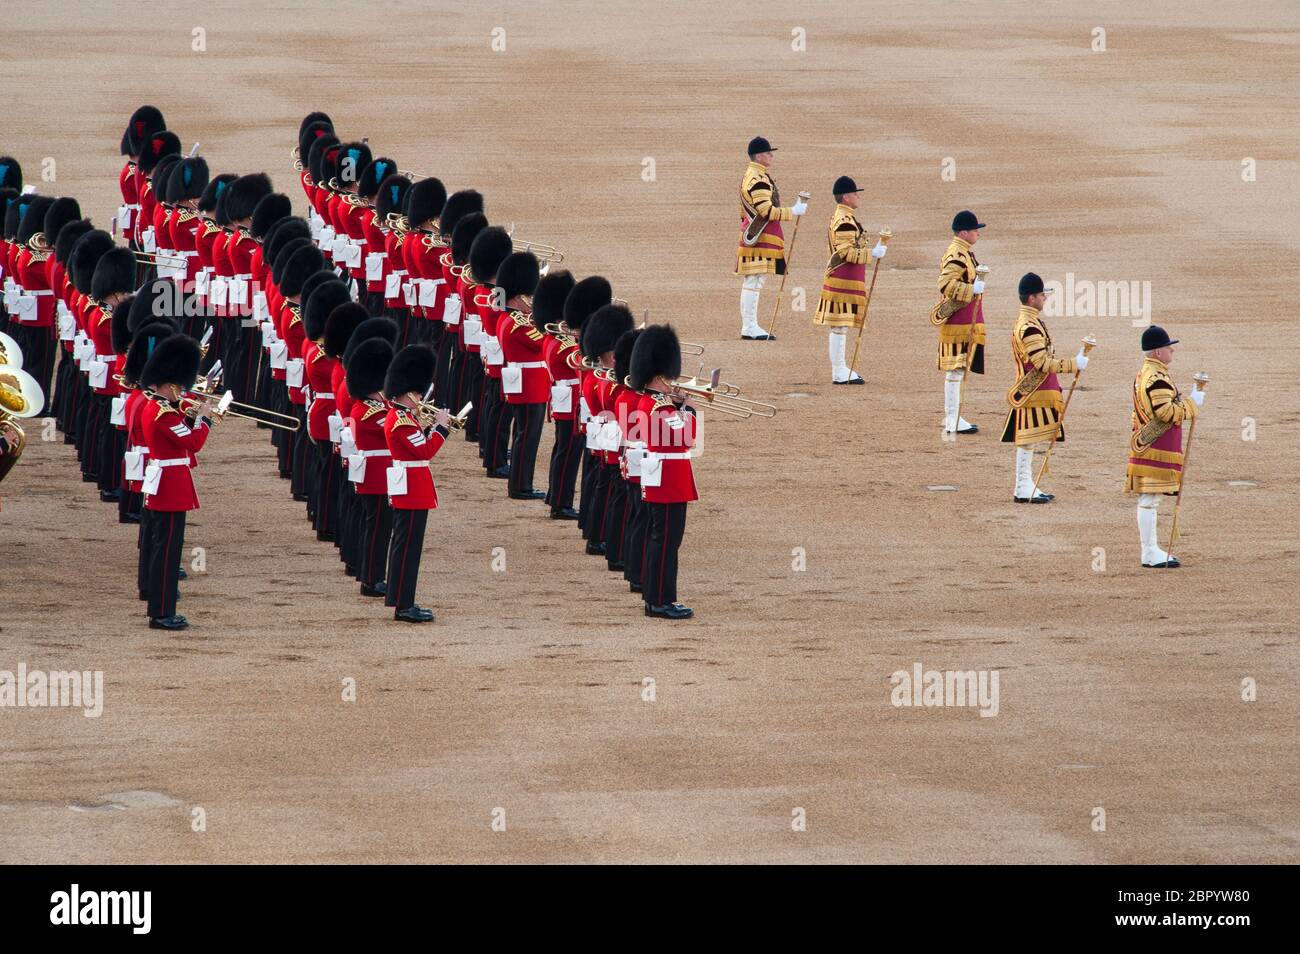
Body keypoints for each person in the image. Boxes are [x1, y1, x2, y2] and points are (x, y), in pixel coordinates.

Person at [138, 334, 213, 630]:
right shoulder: (163, 415)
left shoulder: (157, 407)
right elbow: (194, 443)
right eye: (179, 387)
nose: (182, 391)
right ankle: (162, 612)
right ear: (169, 384)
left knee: (162, 549)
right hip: (170, 486)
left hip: (164, 482)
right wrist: (204, 419)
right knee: (167, 552)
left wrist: (193, 412)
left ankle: (160, 607)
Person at [628, 324, 697, 619]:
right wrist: (690, 410)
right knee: (666, 541)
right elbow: (686, 438)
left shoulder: (651, 402)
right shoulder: (659, 408)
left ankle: (656, 596)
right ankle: (660, 601)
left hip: (662, 475)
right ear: (658, 376)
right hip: (668, 478)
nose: (673, 382)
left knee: (662, 539)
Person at [1000, 272, 1088, 503]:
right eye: (1041, 295)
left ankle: (1025, 484)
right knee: (1027, 439)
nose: (1044, 299)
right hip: (1033, 390)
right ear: (1031, 299)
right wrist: (1073, 364)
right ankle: (1022, 486)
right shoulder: (1029, 326)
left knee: (1029, 440)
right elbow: (1041, 363)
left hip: (1034, 389)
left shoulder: (1031, 322)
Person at [382, 344, 451, 623]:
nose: (421, 397)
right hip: (412, 488)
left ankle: (401, 600)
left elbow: (418, 444)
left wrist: (431, 427)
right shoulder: (401, 421)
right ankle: (403, 605)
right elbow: (425, 451)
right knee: (408, 548)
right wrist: (443, 427)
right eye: (418, 393)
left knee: (406, 546)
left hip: (411, 486)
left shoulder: (405, 417)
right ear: (409, 393)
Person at [1125, 326, 1203, 568]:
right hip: (1155, 446)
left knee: (1150, 499)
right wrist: (1192, 404)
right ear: (1158, 352)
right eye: (1169, 347)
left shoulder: (1146, 373)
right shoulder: (1156, 378)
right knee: (1149, 499)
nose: (1172, 350)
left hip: (1148, 443)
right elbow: (1166, 412)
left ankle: (1151, 550)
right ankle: (1149, 552)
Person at [812, 175, 886, 384]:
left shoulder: (844, 216)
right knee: (839, 326)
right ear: (846, 197)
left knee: (840, 326)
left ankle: (841, 369)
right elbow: (847, 253)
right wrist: (873, 253)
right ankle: (839, 371)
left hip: (844, 278)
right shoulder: (845, 220)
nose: (858, 198)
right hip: (843, 279)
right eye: (855, 194)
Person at [735, 136, 807, 340]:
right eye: (768, 153)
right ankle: (749, 327)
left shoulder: (753, 175)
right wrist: (792, 211)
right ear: (759, 156)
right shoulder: (757, 178)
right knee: (754, 281)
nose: (772, 156)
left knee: (753, 281)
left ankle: (749, 326)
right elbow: (766, 211)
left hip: (754, 233)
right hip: (761, 236)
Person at [494, 251, 548, 499]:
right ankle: (520, 485)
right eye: (528, 297)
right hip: (529, 386)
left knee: (523, 435)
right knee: (527, 437)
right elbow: (542, 344)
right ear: (517, 298)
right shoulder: (518, 324)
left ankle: (520, 482)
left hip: (526, 385)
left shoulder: (509, 319)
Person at [345, 335, 396, 598]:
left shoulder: (375, 407)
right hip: (376, 476)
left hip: (379, 475)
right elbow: (392, 430)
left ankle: (371, 575)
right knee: (378, 529)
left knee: (378, 528)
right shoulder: (366, 412)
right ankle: (372, 579)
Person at [935, 210, 987, 434]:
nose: (978, 234)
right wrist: (971, 289)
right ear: (964, 233)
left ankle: (953, 417)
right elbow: (945, 284)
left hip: (964, 319)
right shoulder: (957, 254)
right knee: (955, 370)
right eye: (975, 230)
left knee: (958, 369)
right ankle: (952, 418)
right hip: (959, 321)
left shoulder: (962, 251)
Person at [534, 270, 581, 519]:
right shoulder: (563, 344)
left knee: (563, 449)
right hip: (571, 402)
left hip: (565, 399)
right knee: (569, 452)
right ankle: (561, 504)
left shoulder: (554, 338)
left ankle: (556, 495)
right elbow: (585, 360)